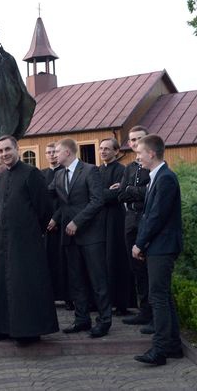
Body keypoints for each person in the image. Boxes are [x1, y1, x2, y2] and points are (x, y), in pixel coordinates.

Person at [0, 136, 59, 345]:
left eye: (7, 149)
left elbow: (43, 208)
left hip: (27, 241)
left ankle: (29, 330)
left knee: (25, 284)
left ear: (17, 149)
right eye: (0, 151)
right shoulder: (1, 177)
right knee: (3, 283)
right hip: (4, 239)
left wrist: (30, 230)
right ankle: (4, 327)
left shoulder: (31, 174)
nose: (4, 154)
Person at [48, 138, 111, 338]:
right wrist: (55, 219)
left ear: (67, 152)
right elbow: (59, 202)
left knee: (97, 279)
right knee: (76, 280)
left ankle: (104, 321)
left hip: (90, 235)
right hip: (69, 238)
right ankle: (82, 319)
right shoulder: (58, 176)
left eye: (56, 151)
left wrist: (77, 222)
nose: (53, 155)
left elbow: (97, 200)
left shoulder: (90, 170)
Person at [132, 134, 184, 366]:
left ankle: (160, 350)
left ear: (151, 153)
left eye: (140, 153)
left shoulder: (165, 179)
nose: (137, 157)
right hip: (158, 246)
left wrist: (139, 243)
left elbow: (156, 217)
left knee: (158, 298)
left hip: (162, 247)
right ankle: (172, 346)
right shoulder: (157, 177)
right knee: (163, 296)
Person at [118, 126, 153, 330]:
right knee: (136, 268)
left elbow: (148, 193)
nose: (135, 142)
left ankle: (154, 314)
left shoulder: (152, 165)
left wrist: (131, 190)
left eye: (139, 139)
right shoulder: (129, 168)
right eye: (132, 140)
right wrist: (132, 190)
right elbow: (121, 194)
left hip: (145, 219)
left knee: (149, 267)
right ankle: (143, 311)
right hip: (130, 219)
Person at [98, 138, 134, 316]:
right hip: (99, 221)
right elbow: (94, 195)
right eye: (101, 149)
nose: (103, 152)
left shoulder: (122, 170)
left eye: (106, 149)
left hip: (116, 220)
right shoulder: (97, 170)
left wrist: (104, 195)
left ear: (116, 151)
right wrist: (106, 193)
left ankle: (121, 303)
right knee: (102, 261)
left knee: (116, 260)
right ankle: (105, 302)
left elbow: (117, 195)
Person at [41, 143, 70, 308]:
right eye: (48, 152)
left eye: (54, 152)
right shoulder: (41, 174)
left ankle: (67, 296)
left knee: (63, 261)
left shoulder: (65, 173)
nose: (51, 155)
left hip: (62, 221)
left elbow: (65, 200)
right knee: (48, 261)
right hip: (47, 225)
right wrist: (46, 220)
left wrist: (56, 219)